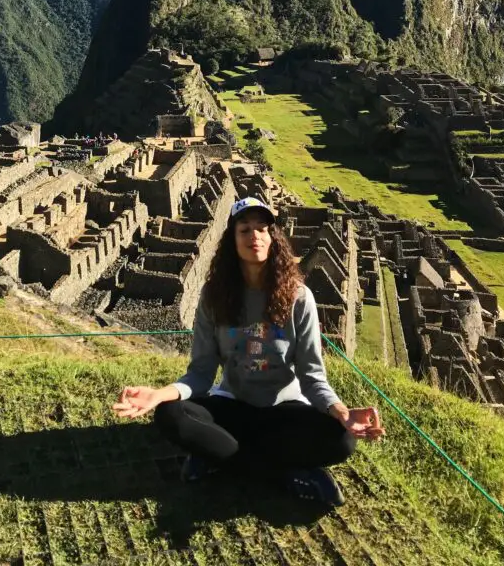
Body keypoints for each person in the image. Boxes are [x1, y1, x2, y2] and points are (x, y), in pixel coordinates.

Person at [113, 196, 385, 507]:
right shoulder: (214, 296)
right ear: (232, 240)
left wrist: (342, 413)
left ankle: (217, 457)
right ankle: (283, 471)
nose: (254, 236)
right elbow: (201, 373)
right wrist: (160, 394)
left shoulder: (299, 298)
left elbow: (312, 376)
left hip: (283, 410)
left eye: (261, 229)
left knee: (342, 440)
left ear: (273, 238)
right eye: (244, 229)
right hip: (233, 406)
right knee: (171, 415)